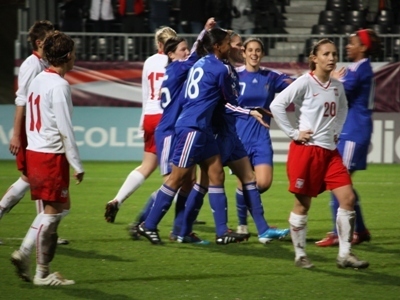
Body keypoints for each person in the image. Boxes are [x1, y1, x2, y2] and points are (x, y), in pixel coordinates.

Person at [137, 28, 268, 245]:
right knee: (177, 178)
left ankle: (222, 231)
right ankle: (148, 225)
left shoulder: (200, 63)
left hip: (202, 128)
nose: (231, 46)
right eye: (227, 43)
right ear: (218, 47)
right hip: (193, 127)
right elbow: (229, 102)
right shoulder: (221, 69)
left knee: (216, 173)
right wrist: (249, 110)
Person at [178, 33, 290, 244]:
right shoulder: (221, 69)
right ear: (226, 47)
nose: (240, 49)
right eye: (237, 46)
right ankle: (185, 230)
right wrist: (249, 111)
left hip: (231, 134)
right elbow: (224, 105)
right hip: (219, 134)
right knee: (203, 183)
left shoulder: (228, 69)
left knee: (249, 178)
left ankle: (263, 229)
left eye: (239, 45)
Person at [269, 38, 369, 269]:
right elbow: (277, 105)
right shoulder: (305, 82)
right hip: (307, 151)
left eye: (334, 54)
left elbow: (342, 108)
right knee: (303, 205)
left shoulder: (337, 86)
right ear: (314, 58)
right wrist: (294, 133)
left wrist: (337, 132)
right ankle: (300, 254)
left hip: (330, 153)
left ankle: (345, 254)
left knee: (348, 199)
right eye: (326, 54)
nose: (332, 58)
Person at [128, 18, 216, 243]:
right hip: (168, 131)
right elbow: (196, 55)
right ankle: (143, 222)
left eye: (186, 48)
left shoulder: (178, 69)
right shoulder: (177, 68)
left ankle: (179, 231)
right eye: (182, 49)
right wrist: (204, 32)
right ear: (171, 54)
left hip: (178, 130)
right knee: (173, 181)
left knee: (187, 180)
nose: (186, 52)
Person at [11, 31, 84, 285]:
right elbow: (65, 129)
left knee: (58, 210)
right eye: (73, 53)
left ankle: (37, 264)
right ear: (66, 56)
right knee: (53, 213)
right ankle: (34, 263)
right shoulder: (60, 85)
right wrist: (76, 163)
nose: (75, 57)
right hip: (51, 156)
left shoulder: (40, 79)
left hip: (36, 152)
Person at [0, 20, 69, 246]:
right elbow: (21, 99)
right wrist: (17, 133)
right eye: (50, 38)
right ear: (40, 42)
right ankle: (46, 227)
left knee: (34, 179)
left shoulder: (43, 64)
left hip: (35, 128)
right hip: (31, 129)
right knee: (32, 178)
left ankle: (46, 227)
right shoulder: (31, 64)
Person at [315, 29, 381, 247]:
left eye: (352, 43)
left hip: (354, 133)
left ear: (363, 47)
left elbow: (338, 93)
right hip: (352, 131)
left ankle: (339, 233)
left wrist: (332, 79)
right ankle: (360, 230)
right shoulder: (359, 69)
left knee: (337, 181)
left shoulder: (359, 71)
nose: (348, 46)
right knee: (343, 183)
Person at [104, 26, 177, 223]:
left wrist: (142, 122)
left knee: (147, 166)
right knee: (175, 176)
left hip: (150, 116)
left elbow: (145, 94)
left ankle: (117, 199)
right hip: (167, 119)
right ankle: (148, 218)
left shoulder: (149, 62)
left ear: (158, 44)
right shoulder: (176, 61)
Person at [234, 37, 294, 235]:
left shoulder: (270, 77)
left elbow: (293, 85)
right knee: (244, 181)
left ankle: (252, 216)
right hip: (239, 136)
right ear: (243, 53)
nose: (254, 54)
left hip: (261, 137)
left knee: (263, 182)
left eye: (258, 50)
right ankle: (243, 225)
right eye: (250, 50)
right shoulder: (233, 75)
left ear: (262, 54)